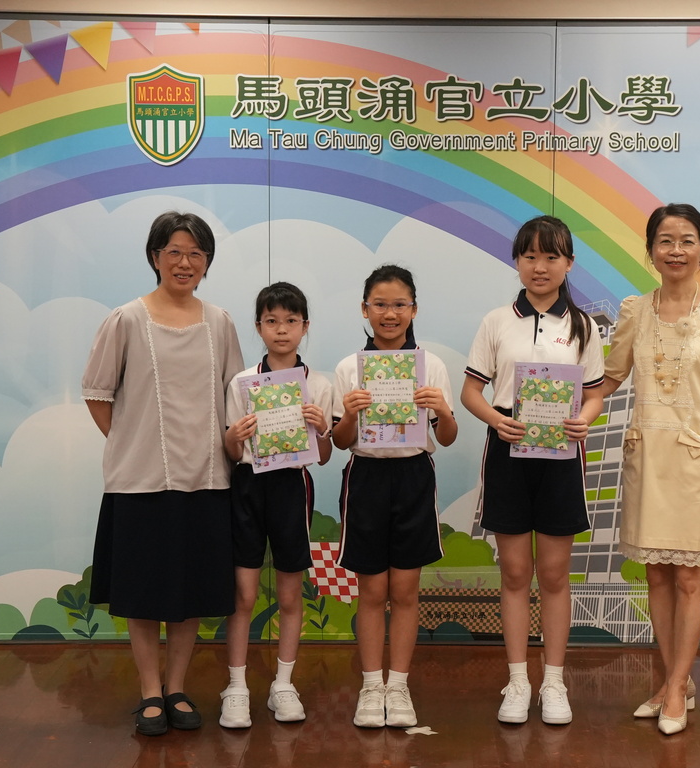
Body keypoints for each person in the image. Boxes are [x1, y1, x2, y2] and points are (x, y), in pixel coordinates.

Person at [82, 211, 244, 736]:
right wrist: (132, 442)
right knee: (144, 592)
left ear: (207, 263)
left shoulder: (220, 322)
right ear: (155, 257)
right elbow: (98, 394)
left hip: (208, 479)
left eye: (196, 253)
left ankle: (177, 687)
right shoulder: (126, 319)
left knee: (191, 591)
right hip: (141, 483)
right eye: (174, 251)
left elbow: (236, 398)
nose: (184, 262)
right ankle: (150, 691)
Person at [600, 203, 700, 735]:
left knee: (688, 576)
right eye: (666, 240)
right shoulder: (635, 311)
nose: (676, 250)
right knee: (656, 575)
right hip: (648, 457)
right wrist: (559, 408)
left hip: (699, 460)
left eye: (687, 241)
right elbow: (609, 377)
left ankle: (677, 689)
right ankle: (673, 683)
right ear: (650, 250)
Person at [461, 215, 605, 726]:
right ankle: (519, 680)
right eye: (530, 256)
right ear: (517, 262)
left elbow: (594, 396)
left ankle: (554, 681)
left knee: (555, 575)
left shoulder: (584, 327)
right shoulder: (497, 321)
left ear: (569, 263)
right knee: (516, 573)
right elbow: (471, 393)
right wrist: (496, 420)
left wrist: (585, 419)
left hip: (561, 459)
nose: (539, 266)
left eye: (551, 256)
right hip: (508, 455)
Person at [331, 264, 458, 729]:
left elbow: (447, 437)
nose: (390, 314)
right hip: (365, 477)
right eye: (380, 304)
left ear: (414, 310)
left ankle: (398, 686)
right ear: (364, 309)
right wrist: (349, 415)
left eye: (399, 305)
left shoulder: (431, 366)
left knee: (404, 591)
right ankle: (371, 686)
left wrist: (442, 410)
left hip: (413, 477)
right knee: (371, 591)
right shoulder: (349, 368)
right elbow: (341, 441)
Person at [219, 282, 333, 728]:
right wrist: (235, 435)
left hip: (292, 487)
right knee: (244, 594)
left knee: (289, 593)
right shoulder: (242, 383)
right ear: (258, 326)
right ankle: (236, 686)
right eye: (272, 321)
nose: (281, 330)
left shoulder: (318, 385)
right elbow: (231, 452)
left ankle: (283, 685)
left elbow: (324, 455)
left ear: (305, 326)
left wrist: (321, 428)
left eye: (290, 321)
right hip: (248, 486)